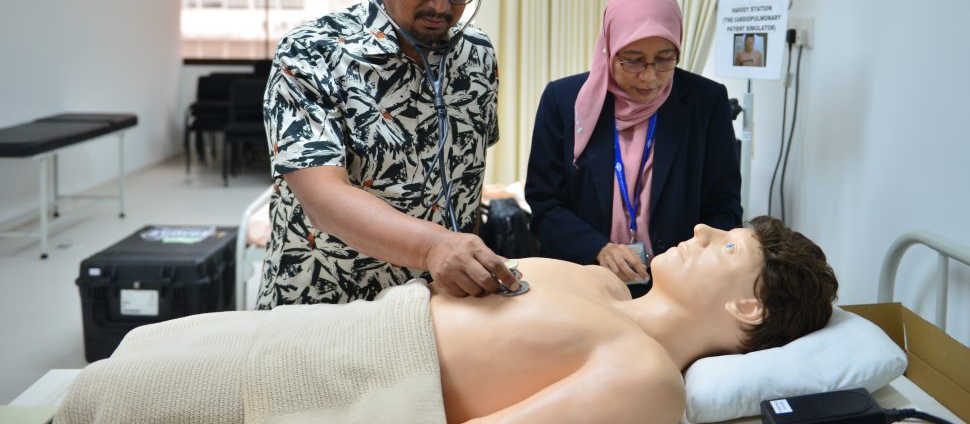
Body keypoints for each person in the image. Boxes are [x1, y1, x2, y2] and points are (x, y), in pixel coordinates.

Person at [54, 217, 839, 424]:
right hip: (344, 329)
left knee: (105, 400)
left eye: (726, 245)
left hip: (344, 389)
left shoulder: (645, 378)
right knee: (137, 346)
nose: (701, 232)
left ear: (750, 308)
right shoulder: (601, 288)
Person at [257, 0, 519, 308]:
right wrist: (434, 246)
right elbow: (323, 199)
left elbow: (466, 180)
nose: (441, 5)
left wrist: (463, 258)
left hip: (434, 306)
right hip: (325, 305)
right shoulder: (312, 52)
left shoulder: (477, 55)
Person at [525, 0, 742, 290]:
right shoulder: (564, 101)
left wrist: (689, 263)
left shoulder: (705, 102)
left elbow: (724, 204)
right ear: (610, 47)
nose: (649, 77)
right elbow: (545, 204)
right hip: (584, 280)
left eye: (665, 59)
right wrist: (597, 248)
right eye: (633, 59)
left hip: (678, 286)